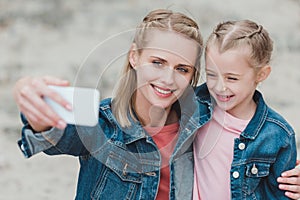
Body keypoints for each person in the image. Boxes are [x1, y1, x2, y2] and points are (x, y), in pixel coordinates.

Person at [13, 9, 300, 200]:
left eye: (182, 69)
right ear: (135, 57)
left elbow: (252, 132)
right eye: (157, 62)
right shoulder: (102, 123)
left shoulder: (202, 116)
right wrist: (27, 92)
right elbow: (51, 132)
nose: (167, 79)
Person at [192, 20, 298, 199]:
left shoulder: (277, 135)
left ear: (261, 74)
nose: (219, 87)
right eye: (211, 75)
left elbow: (284, 192)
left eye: (231, 78)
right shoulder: (194, 104)